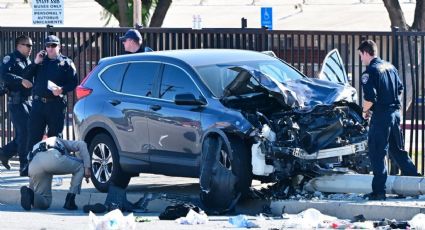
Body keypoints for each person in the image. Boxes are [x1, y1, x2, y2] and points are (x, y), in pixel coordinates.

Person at [358, 40, 419, 200]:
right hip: (394, 114)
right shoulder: (390, 67)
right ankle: (417, 182)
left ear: (365, 53)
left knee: (377, 152)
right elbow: (400, 88)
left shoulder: (370, 71)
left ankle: (379, 191)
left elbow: (370, 97)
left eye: (360, 56)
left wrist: (364, 111)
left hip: (381, 116)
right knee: (398, 150)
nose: (361, 60)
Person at [23, 35, 78, 176]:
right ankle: (30, 167)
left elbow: (73, 82)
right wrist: (35, 62)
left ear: (59, 47)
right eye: (48, 46)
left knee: (55, 138)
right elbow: (26, 75)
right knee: (34, 136)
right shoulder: (40, 61)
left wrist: (62, 90)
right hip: (38, 104)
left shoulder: (66, 63)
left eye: (53, 45)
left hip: (56, 105)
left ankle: (54, 167)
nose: (50, 48)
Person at [20, 136, 91, 211]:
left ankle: (31, 195)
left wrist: (31, 190)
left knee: (45, 202)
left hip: (34, 165)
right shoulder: (57, 140)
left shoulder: (36, 145)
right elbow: (82, 144)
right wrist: (87, 167)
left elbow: (31, 176)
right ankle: (70, 201)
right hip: (53, 158)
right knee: (80, 166)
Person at [0, 35, 33, 175]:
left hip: (28, 101)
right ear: (19, 45)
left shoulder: (28, 60)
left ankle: (4, 153)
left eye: (31, 45)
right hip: (17, 101)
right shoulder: (11, 59)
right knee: (25, 133)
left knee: (26, 133)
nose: (30, 48)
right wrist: (20, 80)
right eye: (27, 45)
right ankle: (24, 166)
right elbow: (3, 74)